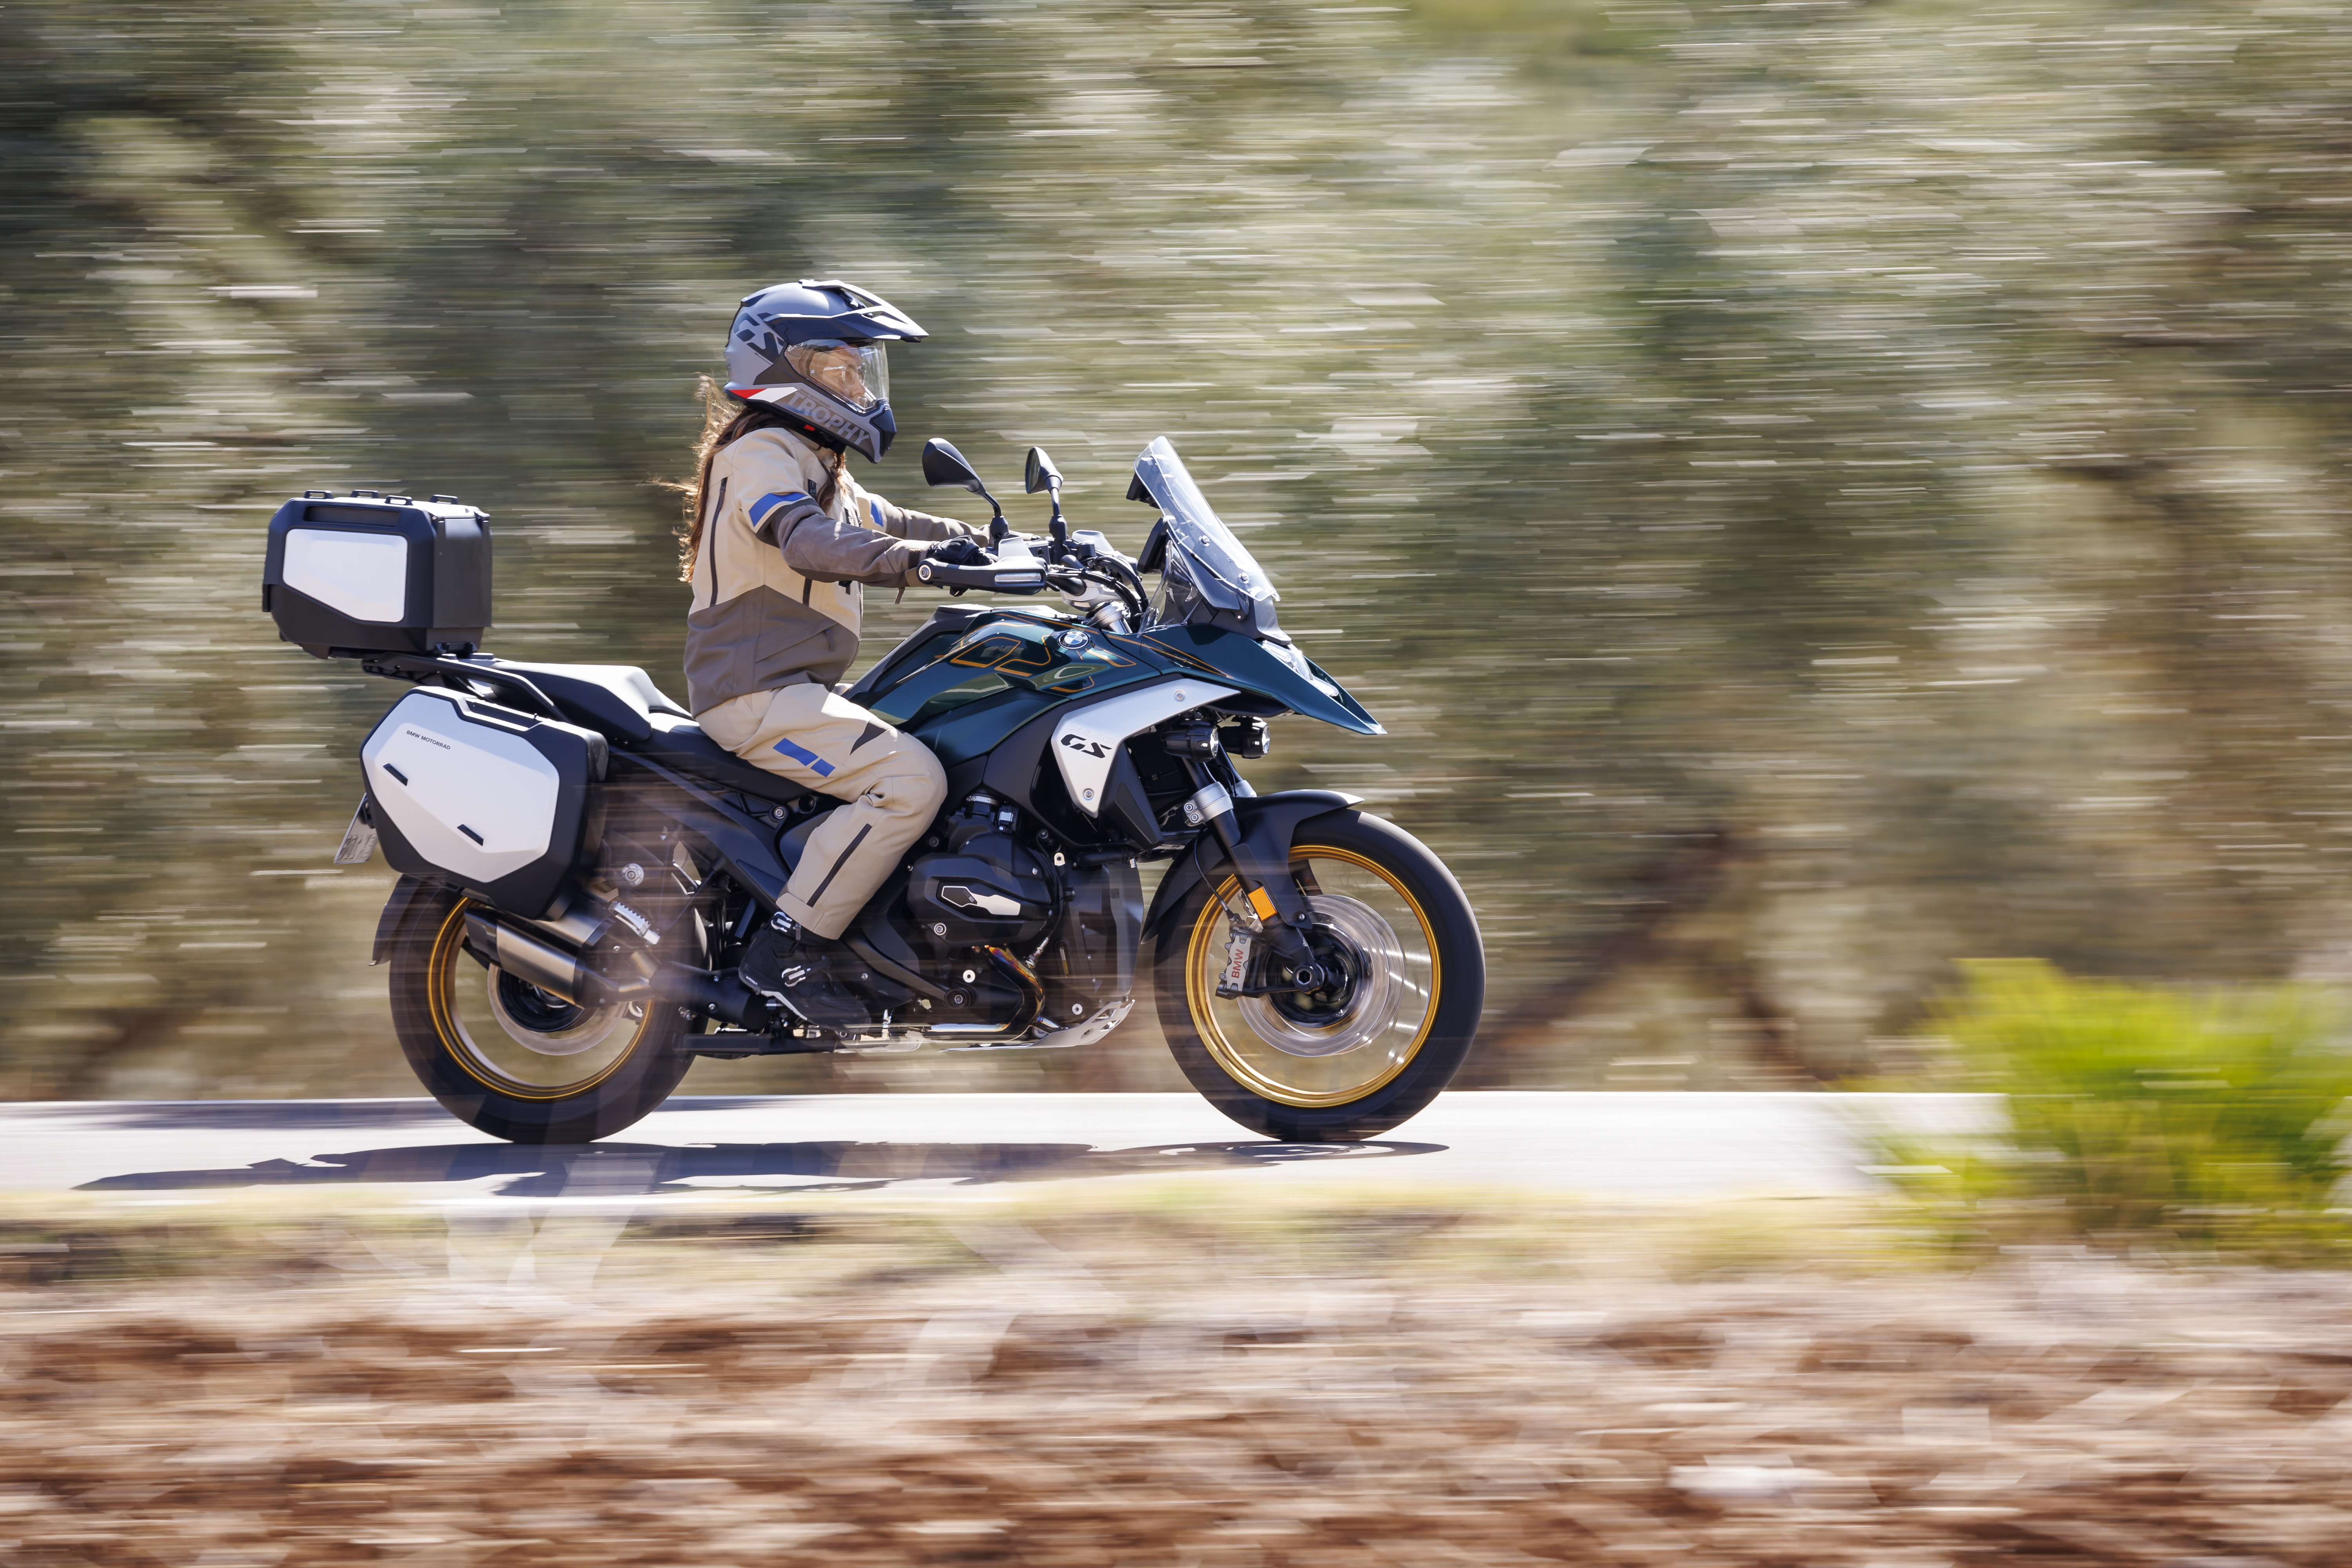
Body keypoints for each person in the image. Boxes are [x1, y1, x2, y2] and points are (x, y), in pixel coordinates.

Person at [677, 278, 990, 1026]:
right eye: (840, 368)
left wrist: (1008, 545)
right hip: (752, 694)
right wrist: (915, 565)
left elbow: (903, 522)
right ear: (786, 368)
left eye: (861, 370)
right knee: (910, 781)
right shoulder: (761, 453)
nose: (858, 385)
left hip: (797, 691)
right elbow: (806, 540)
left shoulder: (820, 467)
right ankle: (787, 953)